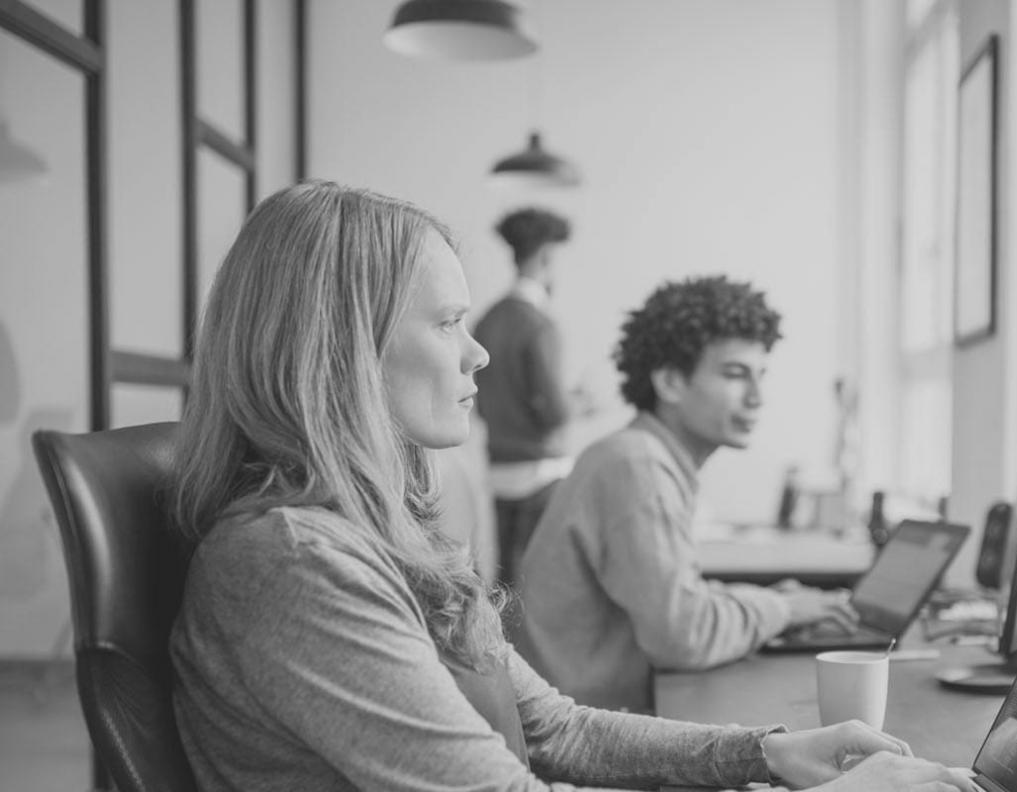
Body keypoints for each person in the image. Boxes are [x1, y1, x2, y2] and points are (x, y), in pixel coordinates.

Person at [166, 181, 972, 792]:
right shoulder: (295, 562)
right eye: (448, 324)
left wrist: (764, 753)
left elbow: (551, 728)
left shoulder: (378, 535)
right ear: (340, 349)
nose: (478, 354)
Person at [516, 276, 857, 713]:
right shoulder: (637, 466)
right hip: (579, 738)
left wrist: (773, 601)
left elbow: (677, 599)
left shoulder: (636, 454)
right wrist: (782, 610)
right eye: (735, 374)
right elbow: (683, 636)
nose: (757, 397)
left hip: (586, 713)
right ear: (671, 382)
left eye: (760, 376)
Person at [473, 207, 574, 590]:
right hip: (540, 474)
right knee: (541, 587)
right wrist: (578, 403)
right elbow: (556, 412)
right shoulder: (539, 324)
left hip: (498, 469)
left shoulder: (486, 320)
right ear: (546, 256)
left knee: (507, 585)